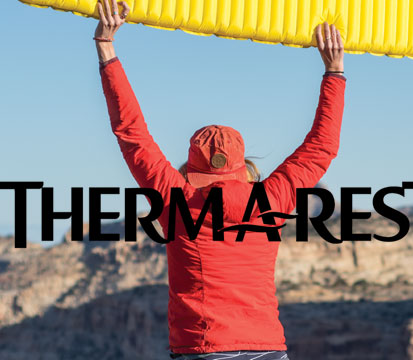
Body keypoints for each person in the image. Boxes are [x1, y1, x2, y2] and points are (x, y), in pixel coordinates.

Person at [90, 0, 345, 358]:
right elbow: (322, 147)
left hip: (205, 349)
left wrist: (107, 48)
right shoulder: (270, 199)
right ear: (242, 166)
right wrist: (334, 72)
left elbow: (132, 134)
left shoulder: (177, 201)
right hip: (268, 349)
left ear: (193, 168)